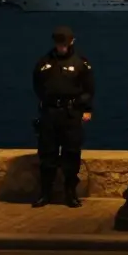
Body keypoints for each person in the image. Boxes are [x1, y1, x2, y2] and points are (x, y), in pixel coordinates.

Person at [31, 26, 94, 208]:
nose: (62, 47)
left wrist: (86, 109)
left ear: (72, 41)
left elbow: (88, 88)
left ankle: (70, 193)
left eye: (65, 44)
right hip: (49, 113)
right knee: (47, 154)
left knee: (71, 153)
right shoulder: (44, 62)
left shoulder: (81, 63)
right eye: (59, 44)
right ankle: (45, 193)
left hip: (71, 113)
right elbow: (37, 84)